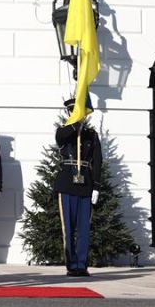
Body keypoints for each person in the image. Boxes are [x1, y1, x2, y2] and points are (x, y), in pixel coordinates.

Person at [55, 97, 102, 277]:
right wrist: (76, 125)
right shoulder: (63, 132)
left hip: (86, 185)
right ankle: (71, 265)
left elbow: (97, 161)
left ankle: (82, 265)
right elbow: (61, 137)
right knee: (68, 227)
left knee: (84, 228)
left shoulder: (91, 135)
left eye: (80, 112)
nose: (78, 115)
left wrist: (96, 186)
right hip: (67, 184)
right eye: (74, 112)